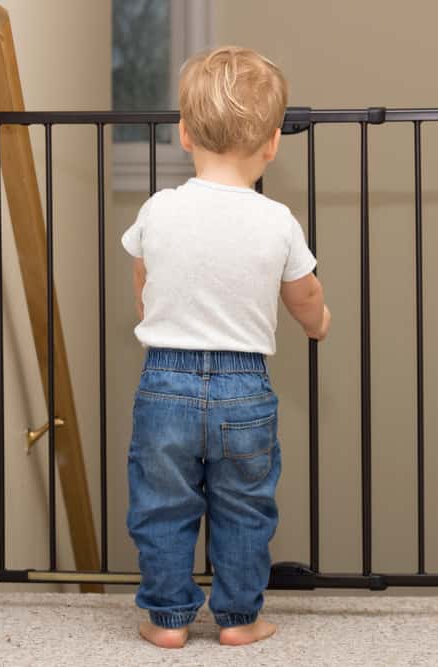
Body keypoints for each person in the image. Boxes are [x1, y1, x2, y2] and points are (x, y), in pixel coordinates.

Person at [121, 45, 331, 649]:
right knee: (245, 508)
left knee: (162, 508)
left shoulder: (159, 209)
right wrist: (319, 325)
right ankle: (239, 618)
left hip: (165, 382)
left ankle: (168, 620)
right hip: (244, 388)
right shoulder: (276, 220)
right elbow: (305, 294)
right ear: (272, 143)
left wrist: (152, 310)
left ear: (185, 134)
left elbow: (144, 280)